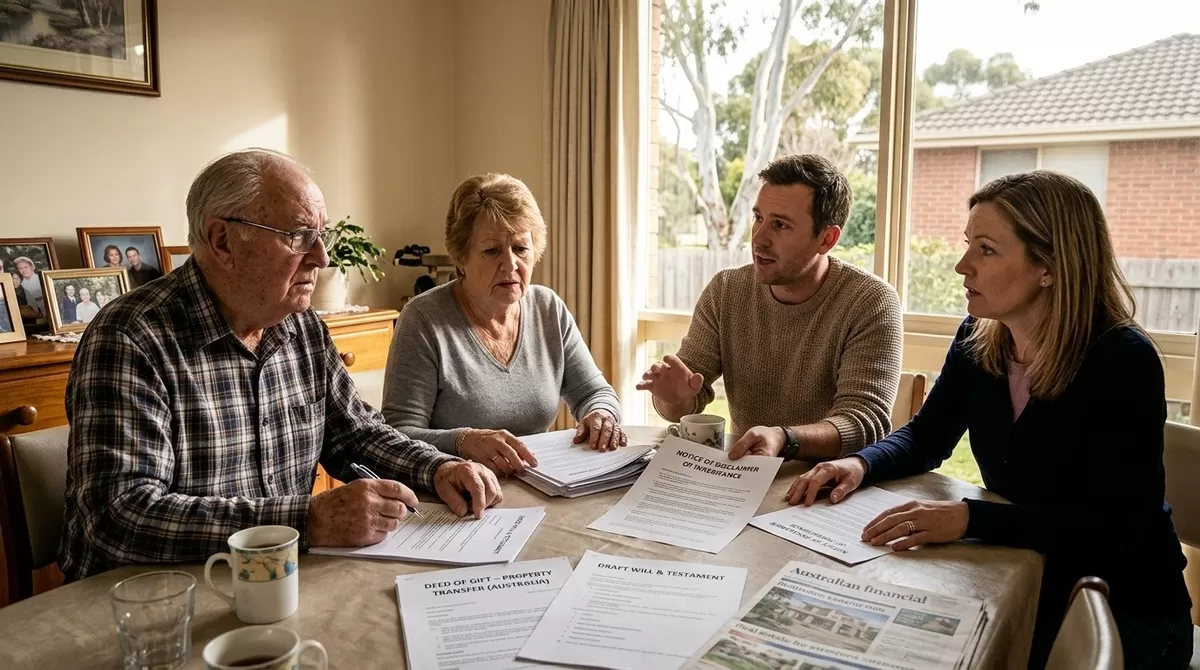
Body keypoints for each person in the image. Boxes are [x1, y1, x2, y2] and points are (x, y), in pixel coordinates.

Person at [787, 171, 1192, 668]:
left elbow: (1112, 527)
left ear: (1048, 267)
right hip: (1031, 581)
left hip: (1126, 612)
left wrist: (969, 519)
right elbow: (926, 436)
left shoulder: (1123, 361)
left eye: (986, 249)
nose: (962, 266)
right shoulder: (978, 336)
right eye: (968, 245)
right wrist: (860, 464)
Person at [59, 148, 502, 581]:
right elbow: (119, 515)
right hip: (150, 599)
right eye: (299, 236)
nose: (322, 257)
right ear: (222, 241)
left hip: (275, 582)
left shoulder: (301, 326)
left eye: (322, 235)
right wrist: (307, 520)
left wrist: (438, 468)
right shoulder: (131, 338)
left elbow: (354, 433)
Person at [638, 154, 903, 463]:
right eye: (758, 218)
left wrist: (784, 438)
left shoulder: (871, 301)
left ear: (827, 239)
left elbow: (864, 423)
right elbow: (685, 397)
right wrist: (674, 399)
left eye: (780, 224)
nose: (759, 238)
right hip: (744, 472)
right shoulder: (725, 290)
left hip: (831, 482)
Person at [382, 173, 624, 475]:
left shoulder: (548, 308)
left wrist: (601, 414)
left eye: (521, 248)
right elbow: (397, 435)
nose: (510, 265)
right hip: (456, 489)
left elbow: (594, 392)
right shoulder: (423, 319)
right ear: (461, 258)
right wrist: (464, 441)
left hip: (538, 481)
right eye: (491, 251)